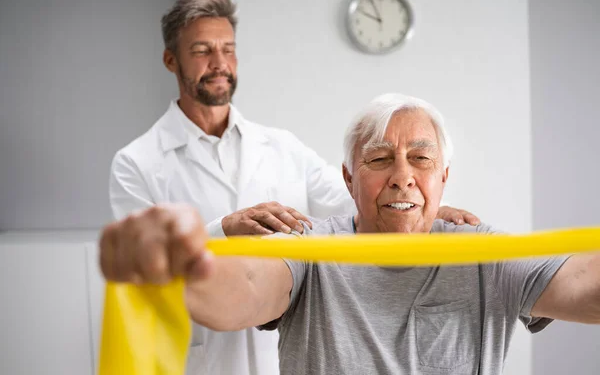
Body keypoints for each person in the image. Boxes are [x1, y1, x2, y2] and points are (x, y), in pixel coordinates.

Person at [109, 0, 479, 375]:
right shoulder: (137, 163)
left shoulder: (281, 146)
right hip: (198, 359)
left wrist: (420, 208)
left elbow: (354, 201)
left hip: (279, 355)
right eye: (202, 50)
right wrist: (222, 230)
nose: (219, 63)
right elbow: (140, 265)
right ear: (171, 59)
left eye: (228, 49)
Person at [102, 93, 600, 375]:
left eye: (421, 159)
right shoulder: (309, 244)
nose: (402, 175)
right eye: (380, 159)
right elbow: (245, 290)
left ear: (443, 177)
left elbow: (584, 287)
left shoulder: (486, 252)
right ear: (348, 179)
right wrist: (188, 261)